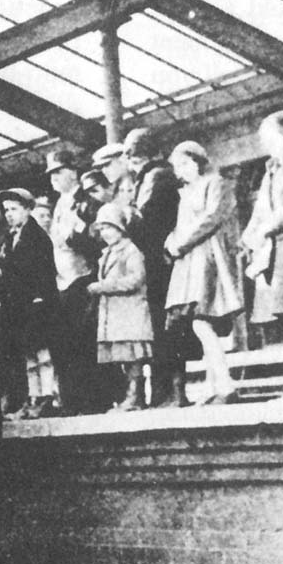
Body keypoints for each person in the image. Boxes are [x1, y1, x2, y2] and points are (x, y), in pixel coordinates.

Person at [165, 141, 244, 404]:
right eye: (177, 167)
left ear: (198, 161)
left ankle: (225, 387)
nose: (181, 171)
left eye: (185, 164)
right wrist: (171, 241)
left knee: (202, 322)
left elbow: (212, 217)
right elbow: (180, 226)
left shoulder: (216, 183)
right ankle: (216, 387)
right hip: (190, 262)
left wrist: (181, 241)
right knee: (200, 322)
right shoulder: (185, 192)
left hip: (210, 258)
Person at [123, 127, 180, 407]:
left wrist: (126, 216)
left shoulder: (155, 176)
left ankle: (166, 391)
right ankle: (164, 391)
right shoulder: (157, 175)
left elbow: (143, 221)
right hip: (159, 259)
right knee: (160, 327)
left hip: (157, 261)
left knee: (161, 326)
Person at [0, 188, 59, 417]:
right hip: (17, 305)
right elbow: (8, 273)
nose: (9, 214)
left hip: (37, 303)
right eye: (6, 210)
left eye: (14, 209)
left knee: (42, 353)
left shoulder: (37, 238)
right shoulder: (10, 238)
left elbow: (44, 272)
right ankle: (32, 399)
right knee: (27, 354)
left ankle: (47, 397)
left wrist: (39, 298)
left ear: (28, 209)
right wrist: (2, 300)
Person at [46, 149, 100, 415]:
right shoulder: (59, 203)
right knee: (64, 342)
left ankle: (90, 401)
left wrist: (72, 238)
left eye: (58, 171)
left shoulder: (87, 201)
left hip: (82, 278)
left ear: (73, 172)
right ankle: (70, 401)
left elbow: (98, 240)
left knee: (84, 342)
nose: (54, 178)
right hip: (61, 282)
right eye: (51, 174)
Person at [87, 204, 153, 411]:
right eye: (102, 229)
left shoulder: (131, 250)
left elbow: (135, 279)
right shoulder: (107, 253)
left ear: (120, 228)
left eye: (109, 228)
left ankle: (136, 396)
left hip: (130, 311)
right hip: (116, 312)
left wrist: (103, 287)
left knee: (133, 357)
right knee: (122, 357)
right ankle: (130, 395)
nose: (105, 233)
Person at [243, 110, 283, 361]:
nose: (265, 142)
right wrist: (249, 236)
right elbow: (261, 208)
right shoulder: (270, 170)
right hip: (277, 254)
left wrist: (267, 228)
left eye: (270, 135)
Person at [92, 142, 134, 208]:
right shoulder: (115, 192)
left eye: (107, 165)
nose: (104, 171)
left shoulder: (140, 183)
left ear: (122, 160)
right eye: (101, 167)